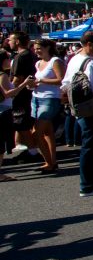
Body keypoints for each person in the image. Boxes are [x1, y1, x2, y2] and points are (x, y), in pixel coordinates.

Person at [61, 30, 93, 197]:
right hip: (92, 108)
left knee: (90, 146)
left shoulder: (74, 59)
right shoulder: (91, 63)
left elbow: (65, 83)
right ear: (90, 45)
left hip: (79, 108)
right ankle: (88, 185)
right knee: (92, 148)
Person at [28, 39, 65, 173]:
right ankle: (51, 161)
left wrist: (41, 80)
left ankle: (49, 162)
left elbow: (61, 79)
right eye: (35, 48)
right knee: (47, 132)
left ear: (48, 47)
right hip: (36, 97)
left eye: (39, 48)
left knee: (36, 133)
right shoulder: (38, 63)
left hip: (50, 98)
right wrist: (33, 84)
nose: (36, 50)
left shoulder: (55, 61)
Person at [9, 31, 38, 161]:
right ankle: (28, 148)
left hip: (20, 95)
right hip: (27, 93)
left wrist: (9, 91)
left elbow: (17, 78)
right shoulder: (30, 54)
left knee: (21, 123)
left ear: (17, 41)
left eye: (10, 40)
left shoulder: (20, 56)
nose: (8, 42)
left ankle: (32, 151)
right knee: (22, 123)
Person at [0, 51, 27, 181]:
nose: (9, 61)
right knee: (0, 145)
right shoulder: (2, 75)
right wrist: (24, 84)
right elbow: (8, 93)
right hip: (3, 110)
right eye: (7, 59)